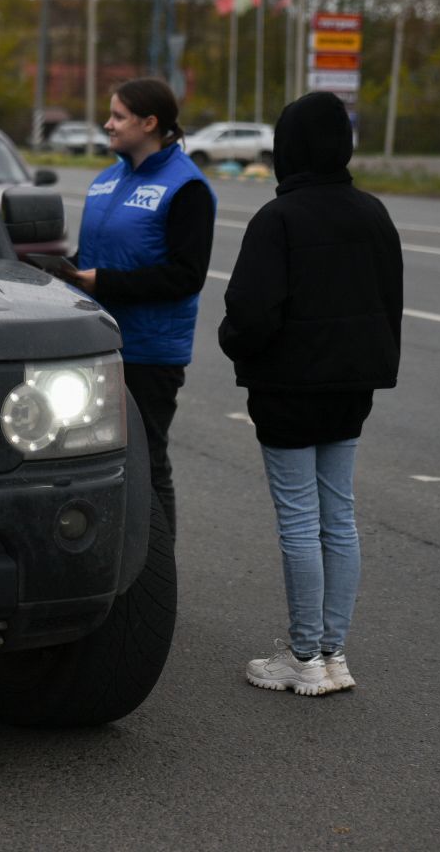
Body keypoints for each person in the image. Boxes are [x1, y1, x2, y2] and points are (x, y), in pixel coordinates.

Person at [217, 91, 403, 696]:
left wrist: (234, 346)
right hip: (352, 387)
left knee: (299, 521)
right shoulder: (373, 213)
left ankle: (303, 658)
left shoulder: (278, 219)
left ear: (288, 149)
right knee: (338, 517)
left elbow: (250, 312)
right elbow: (389, 302)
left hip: (287, 391)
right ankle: (332, 654)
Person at [52, 78, 215, 531]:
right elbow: (95, 256)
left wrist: (104, 282)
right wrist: (61, 270)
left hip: (149, 352)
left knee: (147, 462)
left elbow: (186, 276)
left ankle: (156, 564)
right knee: (89, 460)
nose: (107, 124)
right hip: (96, 342)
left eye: (118, 116)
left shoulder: (187, 187)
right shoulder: (108, 179)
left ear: (149, 123)